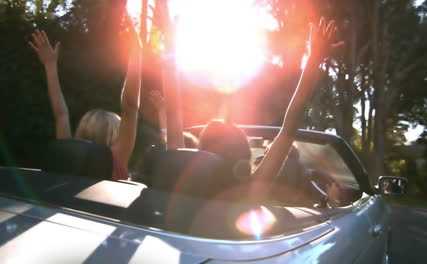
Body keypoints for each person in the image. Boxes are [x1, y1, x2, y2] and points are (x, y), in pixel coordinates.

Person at [163, 17, 343, 200]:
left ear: (200, 152)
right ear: (244, 156)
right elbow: (290, 127)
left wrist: (169, 48)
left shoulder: (178, 181)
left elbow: (172, 115)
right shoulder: (250, 193)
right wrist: (314, 60)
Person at [29, 26, 142, 181]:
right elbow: (130, 107)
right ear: (114, 135)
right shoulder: (115, 161)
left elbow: (61, 115)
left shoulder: (68, 154)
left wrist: (50, 66)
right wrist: (136, 53)